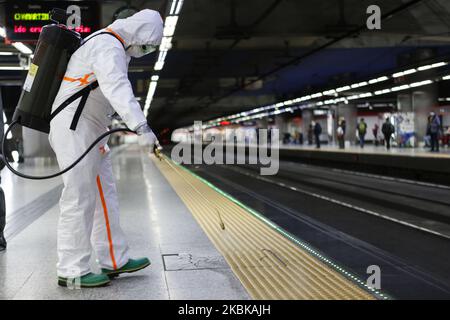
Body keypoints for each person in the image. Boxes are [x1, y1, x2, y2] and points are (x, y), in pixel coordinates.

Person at [48, 9, 163, 288]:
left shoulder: (117, 48)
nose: (146, 50)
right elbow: (118, 89)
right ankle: (71, 270)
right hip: (74, 127)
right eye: (147, 43)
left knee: (104, 193)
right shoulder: (107, 45)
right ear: (138, 32)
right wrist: (141, 127)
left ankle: (114, 259)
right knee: (79, 195)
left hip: (91, 128)